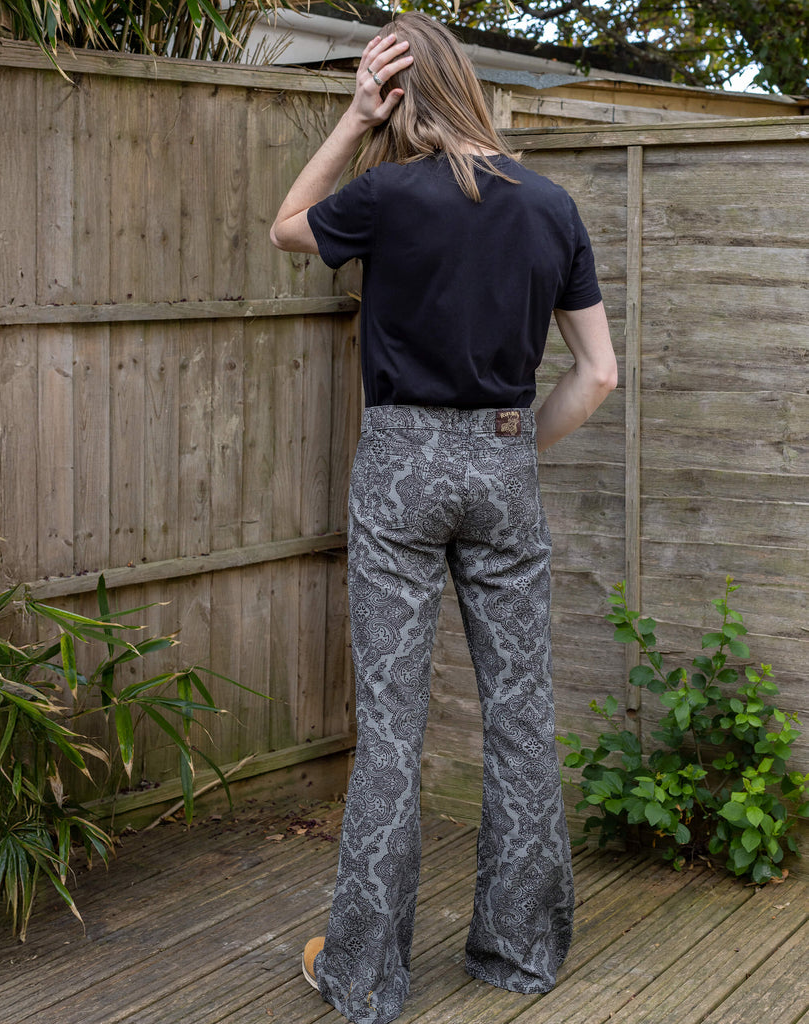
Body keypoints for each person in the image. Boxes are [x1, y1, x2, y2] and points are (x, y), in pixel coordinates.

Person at [270, 12, 618, 1024]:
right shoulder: (552, 208)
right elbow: (599, 375)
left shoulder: (384, 196)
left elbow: (289, 224)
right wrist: (510, 448)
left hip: (398, 469)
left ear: (402, 95)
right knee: (520, 714)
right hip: (503, 457)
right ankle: (518, 954)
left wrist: (348, 119)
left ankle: (367, 975)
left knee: (391, 726)